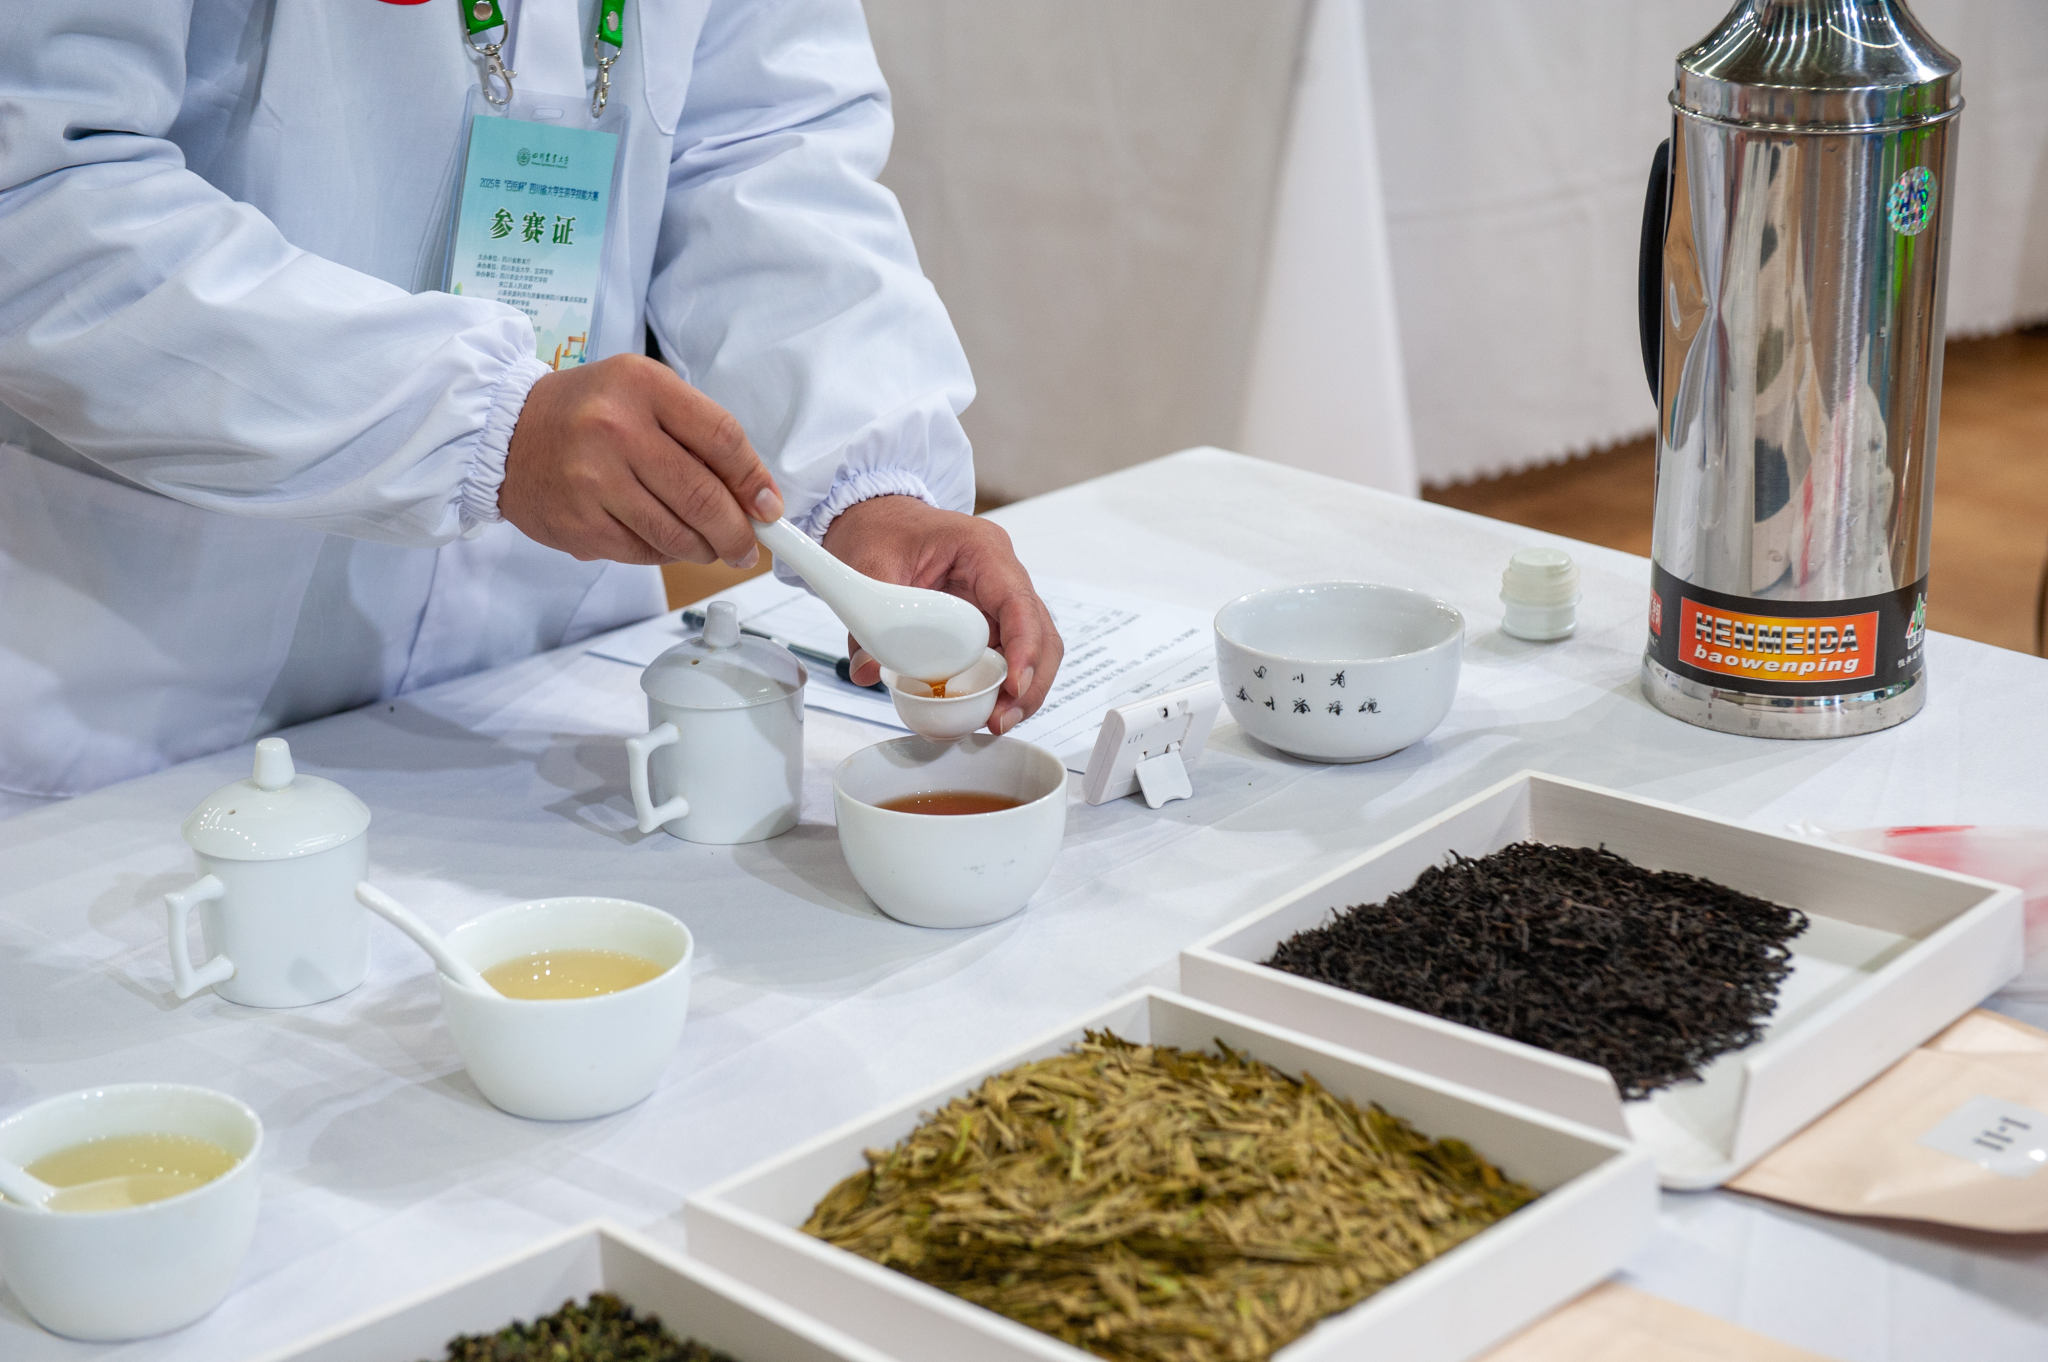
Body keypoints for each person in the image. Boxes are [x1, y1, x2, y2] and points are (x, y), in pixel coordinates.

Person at [0, 0, 1061, 811]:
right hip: (152, 696)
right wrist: (480, 425)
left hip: (547, 688)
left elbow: (764, 137)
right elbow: (38, 190)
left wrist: (869, 481)